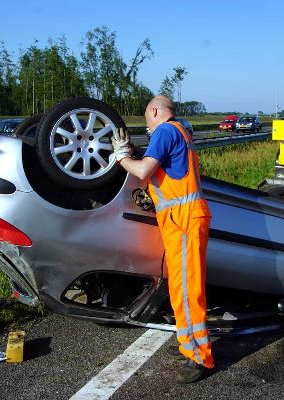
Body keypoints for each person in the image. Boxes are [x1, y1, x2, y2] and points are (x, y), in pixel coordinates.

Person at [111, 96, 213, 384]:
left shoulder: (166, 131)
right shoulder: (178, 131)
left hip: (184, 220)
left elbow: (143, 170)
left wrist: (121, 156)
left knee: (187, 292)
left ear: (155, 111)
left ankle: (199, 357)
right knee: (182, 289)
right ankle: (189, 346)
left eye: (146, 118)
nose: (147, 125)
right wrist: (133, 152)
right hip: (183, 219)